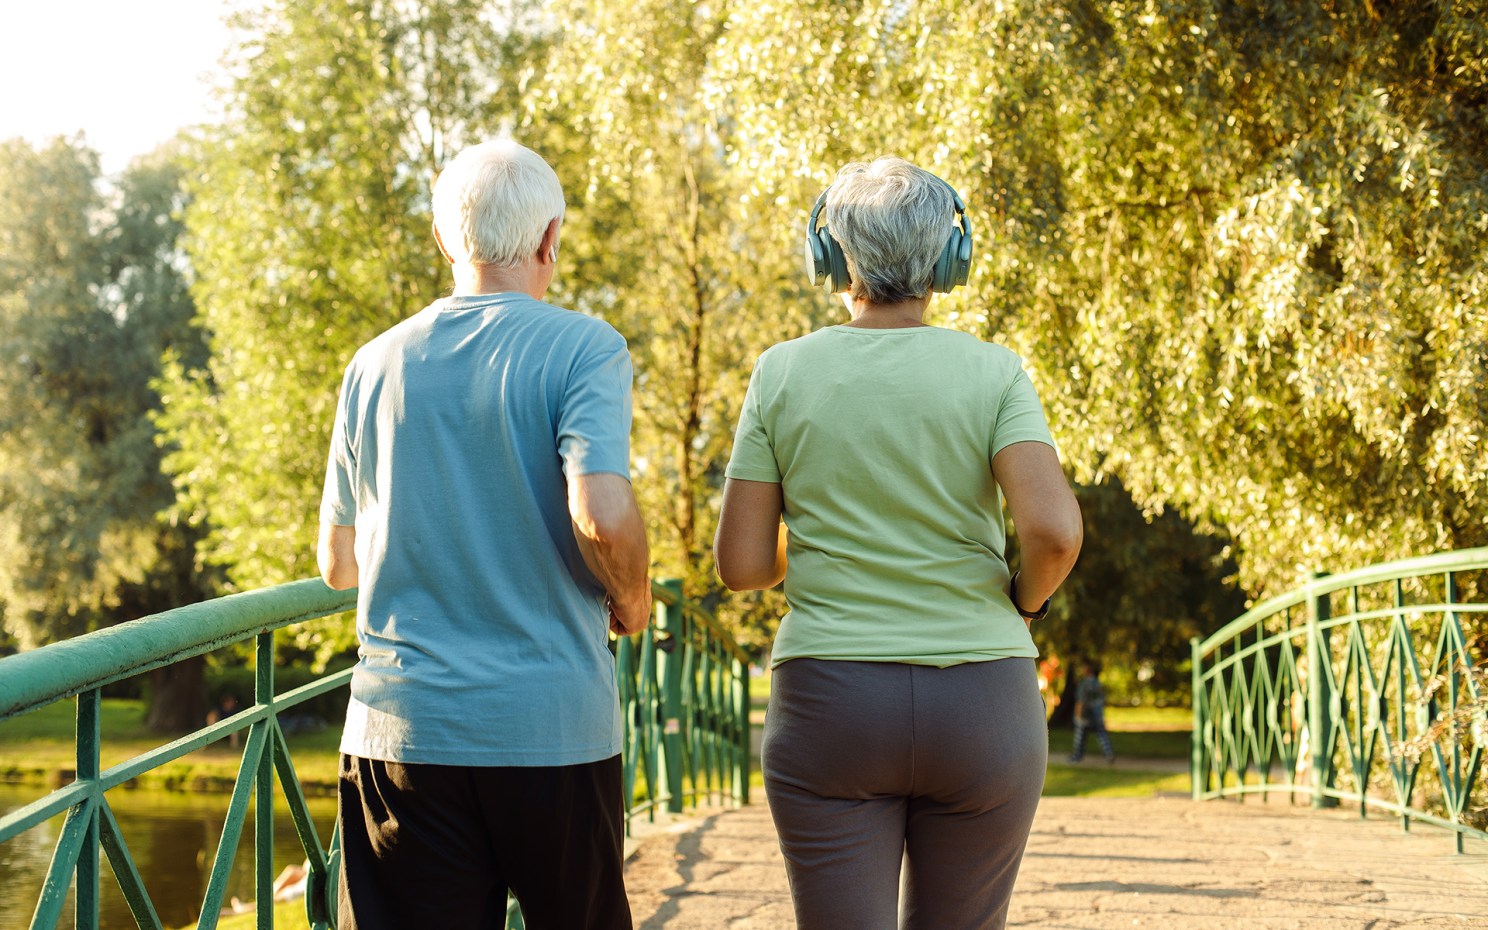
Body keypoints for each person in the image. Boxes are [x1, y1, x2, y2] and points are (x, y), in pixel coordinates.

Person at [714, 156, 1083, 930]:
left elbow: (743, 566)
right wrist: (1024, 602)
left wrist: (810, 547)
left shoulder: (780, 373)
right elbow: (1053, 532)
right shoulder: (996, 373)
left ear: (829, 257)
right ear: (950, 260)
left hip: (831, 705)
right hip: (983, 704)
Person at [316, 138, 651, 930]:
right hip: (553, 729)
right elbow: (600, 513)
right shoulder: (584, 348)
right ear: (550, 239)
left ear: (443, 240)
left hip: (403, 730)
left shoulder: (372, 364)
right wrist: (632, 601)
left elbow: (337, 564)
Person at [1069, 659, 1116, 764]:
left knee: (1080, 736)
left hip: (1085, 714)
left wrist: (1077, 715)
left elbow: (1081, 701)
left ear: (1087, 669)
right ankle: (1109, 754)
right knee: (1101, 734)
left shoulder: (1084, 683)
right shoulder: (1097, 683)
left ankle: (1077, 756)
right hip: (1097, 713)